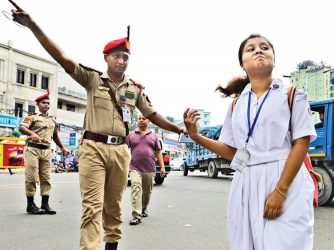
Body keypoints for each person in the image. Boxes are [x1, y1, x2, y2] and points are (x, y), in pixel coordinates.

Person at [10, 1, 185, 249]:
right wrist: (33, 25)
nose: (122, 61)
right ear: (106, 58)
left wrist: (177, 129)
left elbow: (153, 114)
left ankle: (111, 246)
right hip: (93, 149)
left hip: (121, 152)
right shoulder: (92, 79)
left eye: (126, 57)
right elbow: (61, 57)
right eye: (117, 56)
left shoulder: (134, 89)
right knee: (92, 207)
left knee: (113, 206)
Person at [183, 34, 317, 250]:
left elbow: (301, 143)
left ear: (274, 59)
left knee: (287, 243)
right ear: (242, 64)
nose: (258, 51)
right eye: (250, 49)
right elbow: (232, 152)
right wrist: (196, 136)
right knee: (246, 244)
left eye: (265, 47)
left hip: (284, 178)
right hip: (245, 182)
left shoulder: (292, 95)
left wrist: (280, 191)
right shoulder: (237, 104)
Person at [19, 91, 68, 215]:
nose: (46, 105)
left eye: (48, 103)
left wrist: (62, 147)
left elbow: (55, 136)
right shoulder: (32, 117)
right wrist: (32, 134)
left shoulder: (52, 121)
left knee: (46, 178)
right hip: (33, 149)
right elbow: (22, 128)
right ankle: (30, 204)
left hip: (46, 150)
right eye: (43, 103)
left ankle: (45, 204)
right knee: (31, 177)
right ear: (38, 104)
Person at [127, 114, 166, 226]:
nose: (141, 120)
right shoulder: (131, 135)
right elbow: (124, 150)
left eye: (143, 118)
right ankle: (136, 215)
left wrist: (162, 167)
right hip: (134, 167)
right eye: (139, 118)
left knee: (147, 191)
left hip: (149, 168)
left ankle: (143, 208)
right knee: (136, 188)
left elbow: (158, 152)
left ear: (148, 121)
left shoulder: (154, 136)